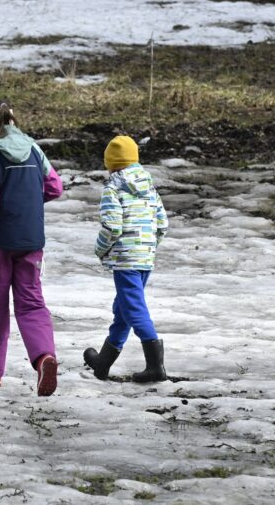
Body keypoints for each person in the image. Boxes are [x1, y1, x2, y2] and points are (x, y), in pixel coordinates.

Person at [0, 98, 63, 397]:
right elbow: (55, 187)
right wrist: (27, 203)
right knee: (32, 302)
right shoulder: (34, 148)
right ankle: (43, 358)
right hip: (32, 240)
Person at [84, 135, 170, 383]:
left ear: (110, 163)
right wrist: (148, 247)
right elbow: (162, 224)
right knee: (123, 308)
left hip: (125, 260)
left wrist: (100, 250)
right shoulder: (149, 188)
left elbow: (112, 227)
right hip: (145, 257)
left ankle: (155, 367)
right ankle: (103, 362)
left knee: (134, 309)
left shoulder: (113, 189)